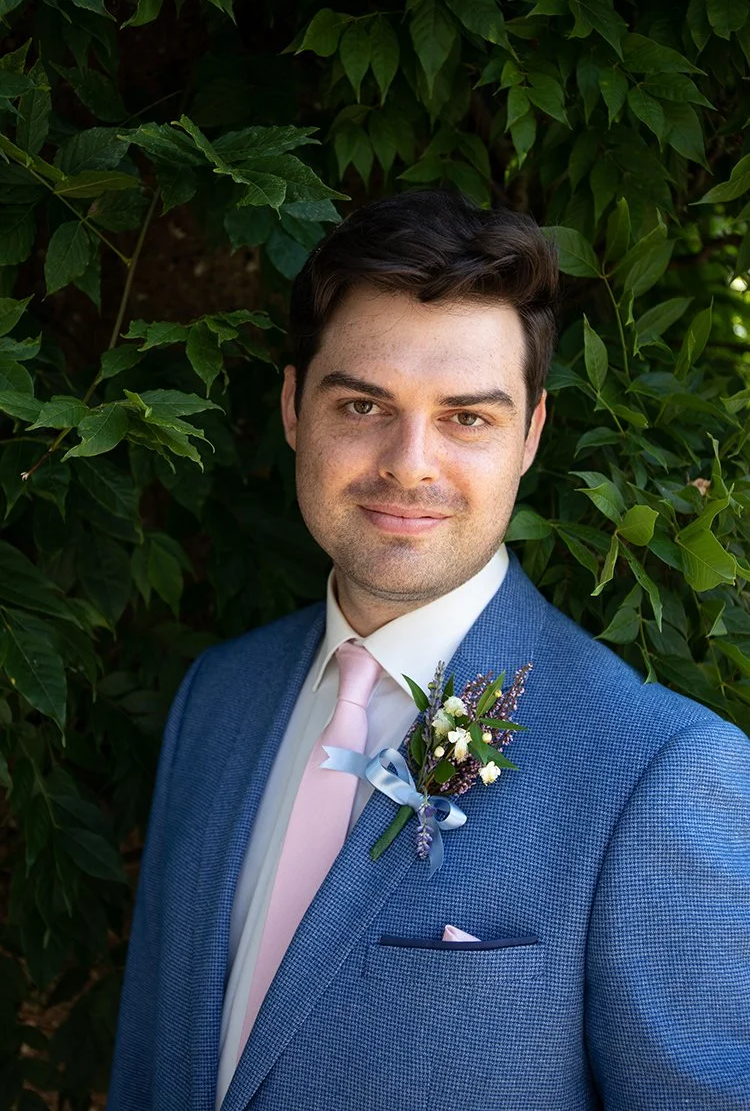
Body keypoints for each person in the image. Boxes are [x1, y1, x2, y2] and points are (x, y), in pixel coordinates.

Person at [107, 190, 750, 1111]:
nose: (409, 462)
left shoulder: (663, 773)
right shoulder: (217, 694)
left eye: (467, 417)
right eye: (365, 403)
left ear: (530, 436)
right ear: (294, 408)